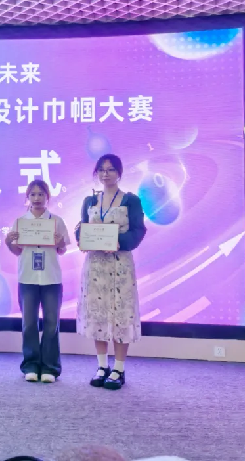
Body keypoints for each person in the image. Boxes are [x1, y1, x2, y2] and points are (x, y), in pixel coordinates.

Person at [75, 154, 147, 390]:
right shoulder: (89, 201)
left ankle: (119, 368)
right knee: (98, 315)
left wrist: (119, 242)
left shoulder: (130, 200)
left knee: (120, 316)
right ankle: (101, 366)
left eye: (111, 170)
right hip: (95, 266)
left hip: (119, 266)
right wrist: (82, 239)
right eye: (102, 170)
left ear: (119, 173)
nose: (105, 174)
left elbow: (138, 231)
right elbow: (82, 228)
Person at [5, 179, 70, 384]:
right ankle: (31, 365)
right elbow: (17, 251)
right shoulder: (20, 222)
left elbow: (62, 250)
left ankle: (50, 367)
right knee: (29, 323)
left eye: (41, 194)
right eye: (32, 194)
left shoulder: (57, 221)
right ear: (27, 197)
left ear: (47, 197)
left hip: (51, 278)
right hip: (28, 278)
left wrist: (60, 243)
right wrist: (8, 242)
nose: (37, 198)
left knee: (51, 323)